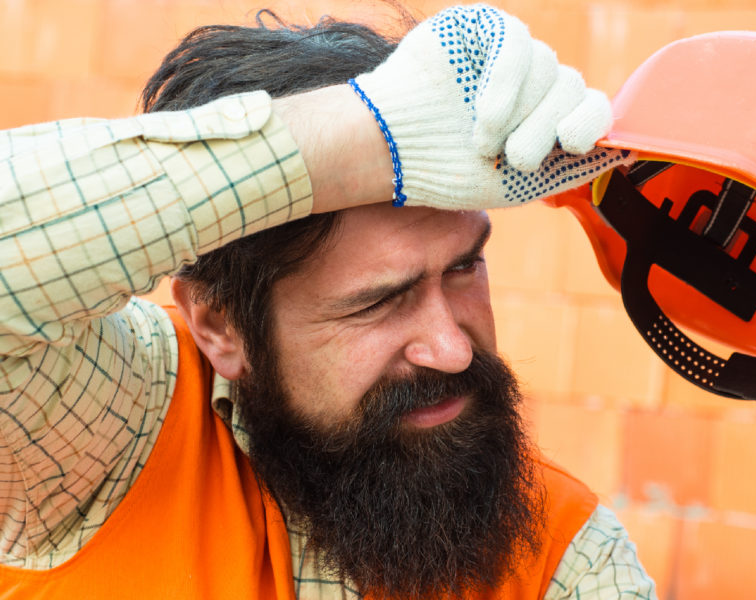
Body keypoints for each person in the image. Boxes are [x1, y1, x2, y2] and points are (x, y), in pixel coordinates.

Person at [0, 3, 653, 599]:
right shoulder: (119, 425)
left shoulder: (569, 558)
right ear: (219, 324)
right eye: (378, 302)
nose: (453, 350)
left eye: (463, 267)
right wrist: (364, 136)